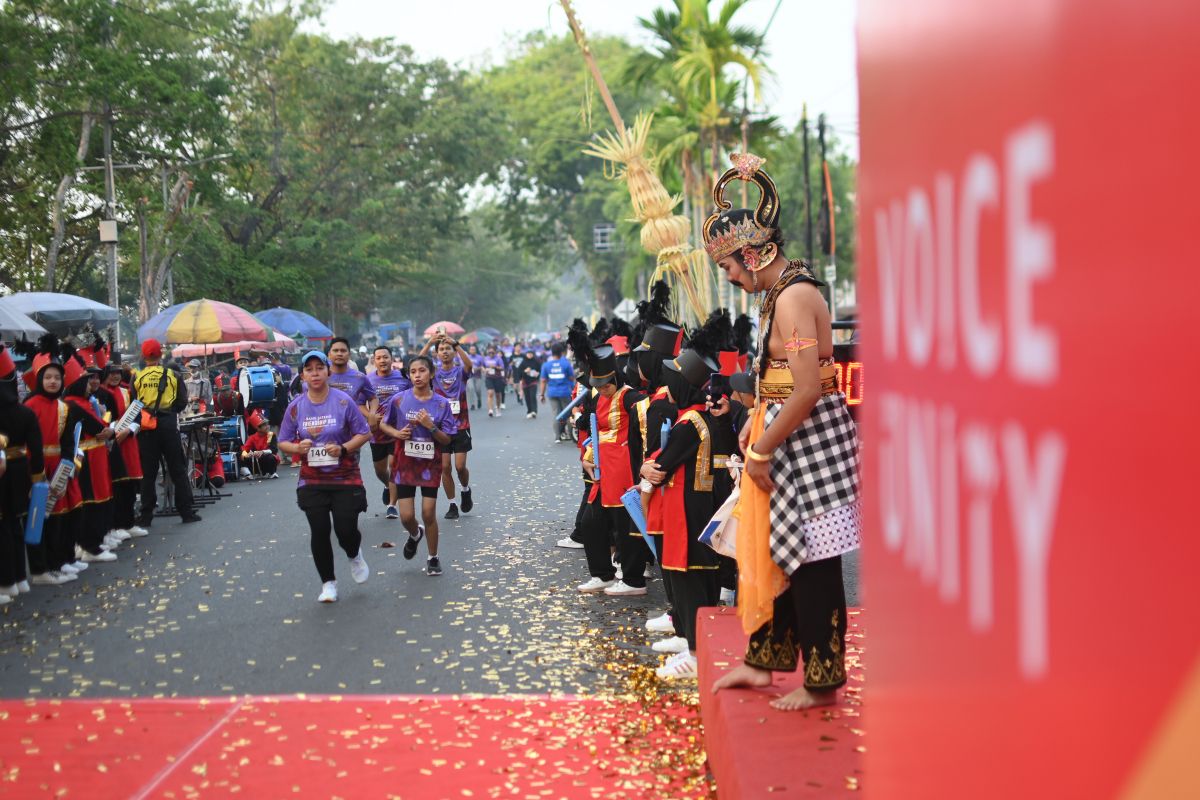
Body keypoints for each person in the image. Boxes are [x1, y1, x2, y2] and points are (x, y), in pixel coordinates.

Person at [704, 153, 862, 711]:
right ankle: (762, 662)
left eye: (728, 267)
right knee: (780, 555)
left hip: (807, 444)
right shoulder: (781, 293)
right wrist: (756, 427)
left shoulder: (793, 297)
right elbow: (780, 382)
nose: (728, 278)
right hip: (783, 439)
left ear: (752, 254)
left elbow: (806, 390)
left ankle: (821, 681)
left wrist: (762, 451)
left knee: (814, 562)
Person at [639, 313, 738, 679]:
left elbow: (660, 467)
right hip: (699, 508)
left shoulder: (688, 424)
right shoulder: (705, 418)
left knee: (688, 580)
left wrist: (647, 468)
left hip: (686, 512)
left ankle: (696, 655)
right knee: (699, 579)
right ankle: (697, 647)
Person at [278, 350, 372, 603]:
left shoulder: (343, 401)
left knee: (345, 530)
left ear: (328, 372)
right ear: (302, 376)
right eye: (309, 369)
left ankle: (354, 554)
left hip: (345, 476)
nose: (315, 373)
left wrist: (343, 448)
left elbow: (364, 433)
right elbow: (283, 441)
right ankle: (328, 583)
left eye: (320, 367)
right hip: (312, 480)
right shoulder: (296, 407)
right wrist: (297, 449)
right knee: (319, 530)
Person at [378, 355, 456, 577]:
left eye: (422, 371)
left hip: (429, 465)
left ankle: (433, 558)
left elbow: (447, 440)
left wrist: (431, 427)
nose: (417, 375)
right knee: (406, 517)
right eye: (413, 372)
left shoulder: (441, 403)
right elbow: (384, 424)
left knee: (429, 513)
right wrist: (397, 433)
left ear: (431, 374)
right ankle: (414, 535)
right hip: (405, 464)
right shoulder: (399, 400)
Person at [133, 339, 199, 525]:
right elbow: (182, 402)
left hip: (146, 428)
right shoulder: (173, 375)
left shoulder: (137, 377)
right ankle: (186, 512)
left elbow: (133, 404)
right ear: (160, 355)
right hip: (169, 425)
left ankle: (146, 516)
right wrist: (169, 414)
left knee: (148, 473)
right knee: (178, 469)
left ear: (144, 356)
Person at [0, 342, 43, 601]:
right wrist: (37, 479)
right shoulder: (26, 412)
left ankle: (5, 581)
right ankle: (18, 578)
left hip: (3, 472)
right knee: (15, 523)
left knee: (3, 527)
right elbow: (36, 450)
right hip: (21, 471)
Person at [422, 334, 473, 519]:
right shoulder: (433, 374)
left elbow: (469, 365)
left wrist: (456, 344)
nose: (444, 352)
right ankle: (452, 505)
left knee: (459, 467)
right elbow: (417, 366)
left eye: (447, 349)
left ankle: (465, 490)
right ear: (436, 354)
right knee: (445, 467)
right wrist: (429, 343)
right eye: (441, 350)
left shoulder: (460, 372)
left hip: (461, 426)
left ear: (453, 352)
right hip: (441, 428)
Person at [94, 361, 147, 541]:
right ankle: (116, 525)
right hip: (111, 443)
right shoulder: (100, 394)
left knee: (130, 485)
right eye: (111, 373)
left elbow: (137, 415)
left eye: (117, 373)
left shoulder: (127, 392)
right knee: (115, 486)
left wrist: (130, 429)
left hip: (128, 442)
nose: (115, 376)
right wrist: (116, 431)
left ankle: (129, 523)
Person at [366, 346, 411, 518]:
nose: (383, 361)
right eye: (379, 358)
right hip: (376, 431)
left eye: (386, 357)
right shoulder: (368, 380)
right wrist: (371, 416)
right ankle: (387, 485)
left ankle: (392, 505)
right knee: (380, 470)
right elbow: (360, 403)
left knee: (394, 466)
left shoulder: (403, 377)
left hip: (396, 429)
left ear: (392, 359)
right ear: (374, 360)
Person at [539, 342, 575, 442]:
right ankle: (568, 434)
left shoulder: (546, 365)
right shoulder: (566, 364)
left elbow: (543, 381)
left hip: (552, 393)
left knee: (556, 414)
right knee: (567, 413)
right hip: (565, 392)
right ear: (561, 352)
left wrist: (542, 394)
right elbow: (572, 378)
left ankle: (557, 437)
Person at [240, 412, 279, 478]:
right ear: (258, 428)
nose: (267, 427)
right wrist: (246, 455)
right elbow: (244, 449)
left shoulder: (271, 435)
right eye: (264, 425)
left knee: (271, 457)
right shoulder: (252, 437)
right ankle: (255, 473)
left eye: (267, 424)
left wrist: (263, 452)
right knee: (245, 457)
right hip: (256, 459)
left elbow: (274, 450)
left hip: (267, 458)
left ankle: (272, 472)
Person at [512, 343, 542, 419]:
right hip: (525, 382)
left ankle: (534, 411)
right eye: (528, 354)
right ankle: (529, 411)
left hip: (533, 382)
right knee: (527, 398)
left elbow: (540, 370)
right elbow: (519, 372)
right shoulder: (523, 362)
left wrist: (536, 373)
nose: (529, 355)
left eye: (531, 353)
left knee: (532, 396)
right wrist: (525, 371)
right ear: (526, 354)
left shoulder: (536, 361)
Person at [481, 344, 506, 417]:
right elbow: (482, 366)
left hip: (497, 378)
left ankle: (498, 408)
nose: (491, 354)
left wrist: (495, 367)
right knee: (490, 393)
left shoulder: (498, 359)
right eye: (489, 352)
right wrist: (484, 369)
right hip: (489, 378)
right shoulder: (485, 358)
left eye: (492, 352)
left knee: (498, 395)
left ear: (495, 352)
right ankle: (490, 410)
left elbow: (502, 368)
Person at [467, 344, 484, 410]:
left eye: (474, 349)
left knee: (478, 390)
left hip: (478, 376)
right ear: (469, 350)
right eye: (471, 350)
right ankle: (472, 404)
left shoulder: (479, 357)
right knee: (471, 388)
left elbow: (483, 366)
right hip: (469, 376)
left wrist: (479, 368)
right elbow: (464, 365)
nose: (472, 351)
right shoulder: (467, 357)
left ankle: (479, 399)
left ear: (476, 350)